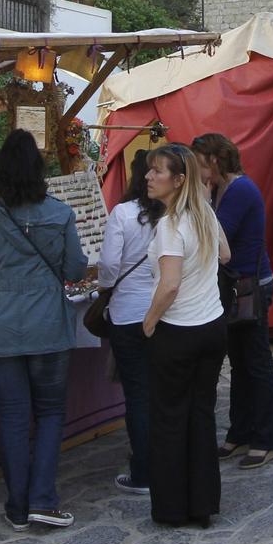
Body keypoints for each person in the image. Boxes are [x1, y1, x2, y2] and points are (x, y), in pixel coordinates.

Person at [0, 129, 90, 532]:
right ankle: (42, 499)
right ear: (40, 170)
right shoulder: (61, 213)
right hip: (47, 324)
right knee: (50, 412)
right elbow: (73, 270)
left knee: (13, 415)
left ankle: (17, 505)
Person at [140, 144, 230, 527]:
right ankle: (202, 503)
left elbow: (170, 284)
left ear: (178, 181)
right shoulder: (204, 215)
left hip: (178, 330)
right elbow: (225, 254)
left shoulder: (171, 226)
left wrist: (149, 320)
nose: (148, 177)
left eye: (157, 171)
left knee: (169, 418)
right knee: (201, 414)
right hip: (211, 324)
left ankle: (173, 507)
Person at [192, 133, 273, 469]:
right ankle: (240, 431)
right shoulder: (222, 190)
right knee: (240, 363)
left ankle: (264, 438)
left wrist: (199, 199)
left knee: (255, 363)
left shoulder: (240, 191)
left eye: (200, 163)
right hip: (235, 285)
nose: (198, 171)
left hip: (250, 285)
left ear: (214, 160)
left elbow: (218, 234)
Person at [96, 168, 158, 495]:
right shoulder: (174, 214)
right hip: (165, 312)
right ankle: (168, 462)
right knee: (163, 390)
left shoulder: (123, 213)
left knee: (137, 394)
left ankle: (144, 471)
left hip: (128, 313)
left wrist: (107, 287)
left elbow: (108, 265)